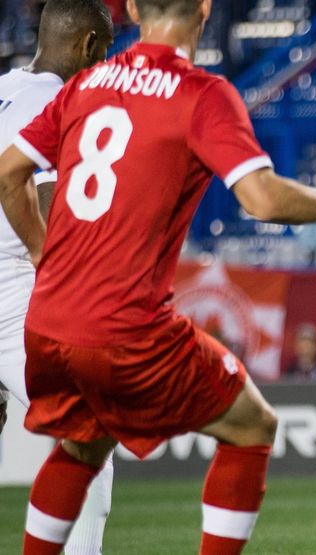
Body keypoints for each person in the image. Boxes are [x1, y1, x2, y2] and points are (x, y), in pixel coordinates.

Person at [0, 0, 316, 553]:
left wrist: (47, 254)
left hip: (48, 319)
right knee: (253, 425)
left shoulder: (83, 88)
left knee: (83, 446)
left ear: (133, 8)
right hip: (121, 323)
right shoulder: (201, 93)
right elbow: (259, 200)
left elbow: (9, 173)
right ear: (206, 8)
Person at [0, 3, 114, 553]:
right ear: (89, 45)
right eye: (105, 52)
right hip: (16, 291)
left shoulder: (3, 88)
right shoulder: (58, 100)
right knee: (87, 428)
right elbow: (43, 193)